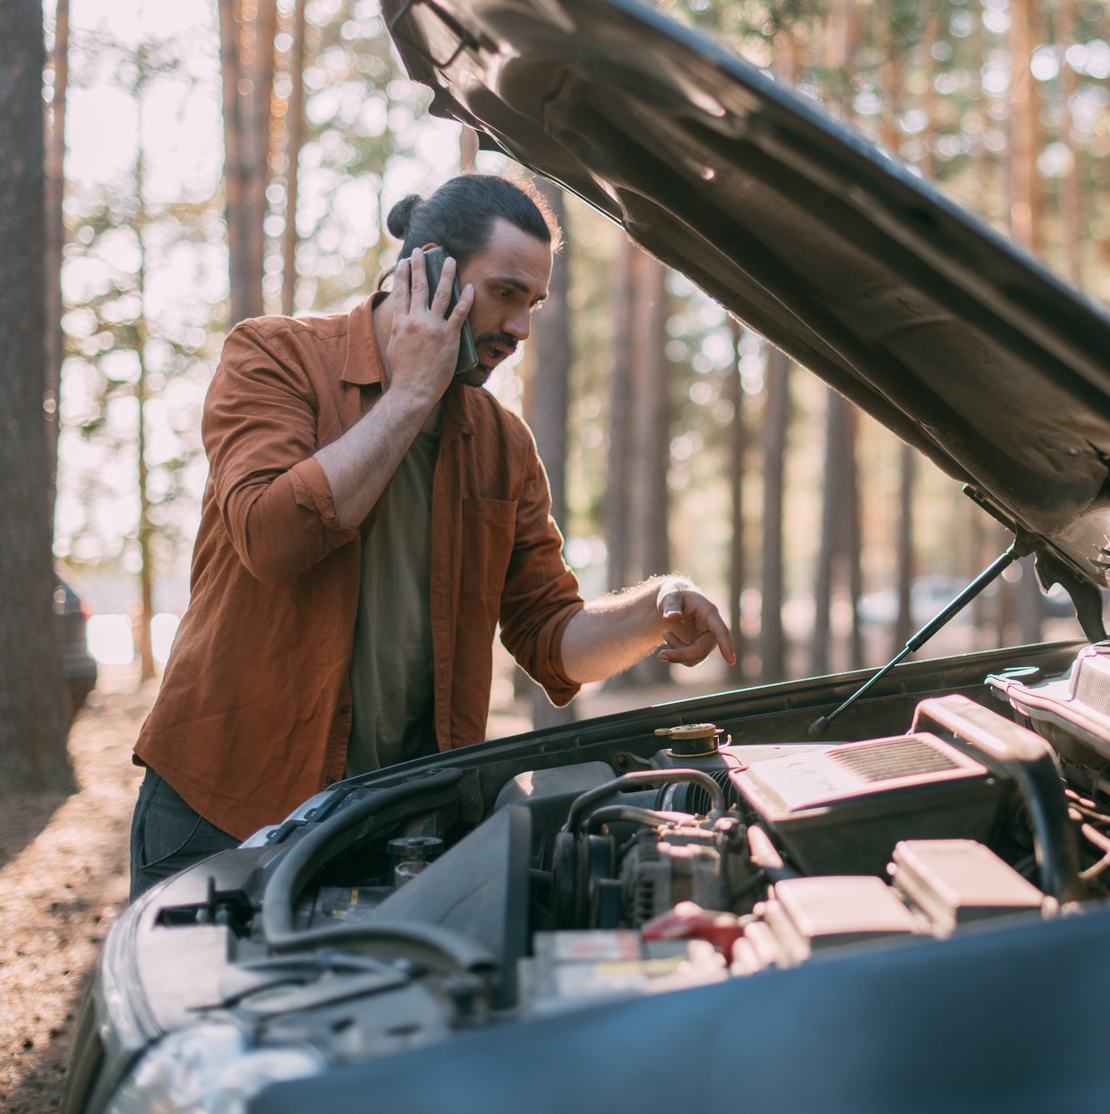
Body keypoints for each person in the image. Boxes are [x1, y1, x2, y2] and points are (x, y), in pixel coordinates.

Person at [128, 173, 733, 899]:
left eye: (532, 303)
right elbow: (273, 538)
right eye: (506, 293)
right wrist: (412, 391)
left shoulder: (503, 444)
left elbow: (549, 632)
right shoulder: (274, 357)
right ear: (430, 275)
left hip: (399, 830)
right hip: (223, 810)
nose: (521, 329)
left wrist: (655, 606)